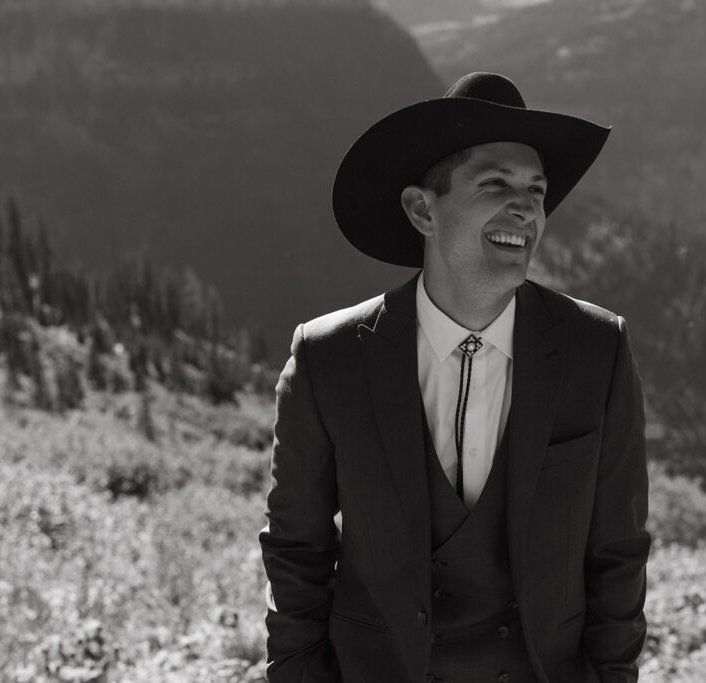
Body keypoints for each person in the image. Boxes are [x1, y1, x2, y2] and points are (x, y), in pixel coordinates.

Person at [259, 72, 651, 683]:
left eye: (537, 190)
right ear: (422, 209)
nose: (525, 207)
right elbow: (297, 553)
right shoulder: (328, 357)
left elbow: (618, 554)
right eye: (495, 183)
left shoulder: (597, 349)